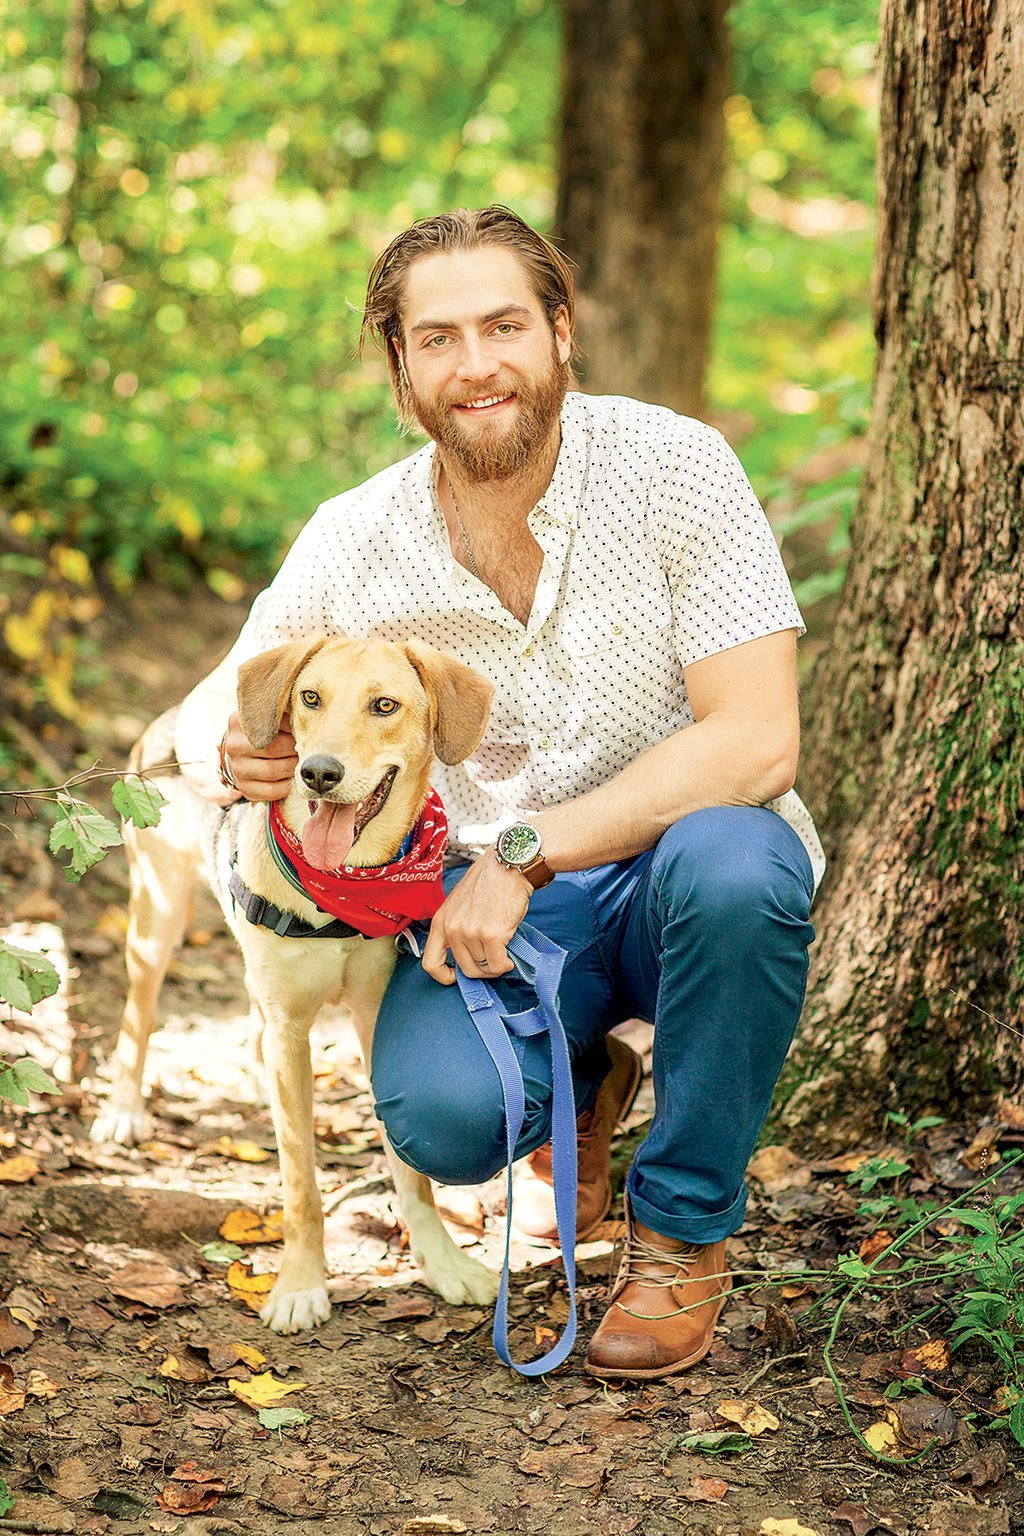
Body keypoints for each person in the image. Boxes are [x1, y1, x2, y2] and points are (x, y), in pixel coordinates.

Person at [176, 205, 825, 1380]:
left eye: (504, 325)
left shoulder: (676, 468)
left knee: (738, 867)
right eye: (437, 338)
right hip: (495, 920)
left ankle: (679, 1230)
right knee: (441, 1119)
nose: (475, 365)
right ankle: (578, 1075)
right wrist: (229, 756)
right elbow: (222, 695)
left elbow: (757, 741)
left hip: (674, 875)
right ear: (401, 366)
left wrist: (522, 850)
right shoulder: (353, 537)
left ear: (562, 332)